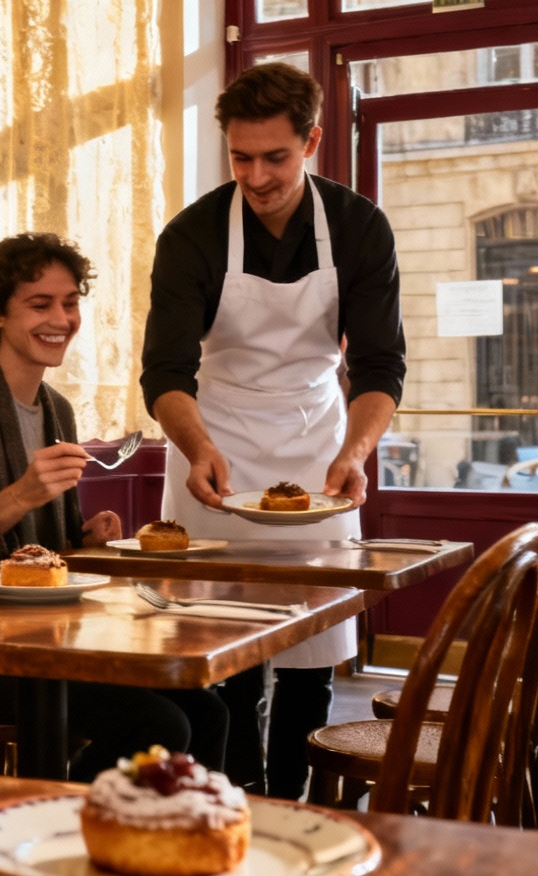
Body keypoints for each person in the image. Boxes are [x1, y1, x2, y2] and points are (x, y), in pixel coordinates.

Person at [140, 63, 406, 800]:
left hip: (317, 443)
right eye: (240, 157)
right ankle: (232, 798)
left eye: (275, 157)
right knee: (219, 652)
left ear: (312, 141)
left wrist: (355, 452)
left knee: (309, 652)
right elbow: (164, 371)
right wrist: (198, 449)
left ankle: (290, 799)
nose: (256, 177)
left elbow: (381, 366)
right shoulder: (192, 235)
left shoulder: (358, 228)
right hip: (213, 439)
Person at [0, 232, 229, 782]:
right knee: (158, 725)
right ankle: (61, 815)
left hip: (46, 639)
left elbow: (43, 554)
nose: (61, 318)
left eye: (70, 302)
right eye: (40, 304)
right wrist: (19, 495)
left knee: (209, 711)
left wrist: (84, 539)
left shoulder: (56, 407)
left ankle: (183, 822)